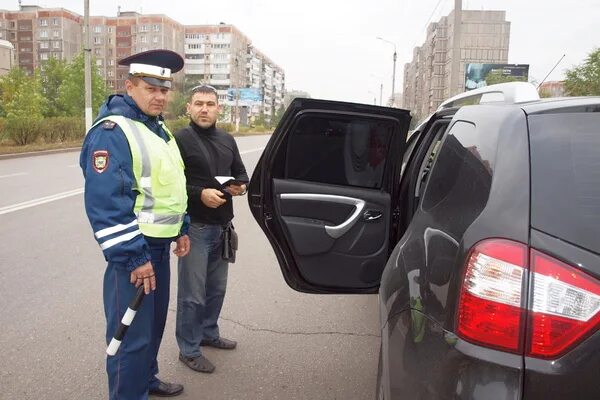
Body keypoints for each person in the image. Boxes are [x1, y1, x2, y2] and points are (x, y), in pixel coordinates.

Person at [80, 49, 190, 399]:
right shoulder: (113, 131)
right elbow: (107, 203)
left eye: (164, 89)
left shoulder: (159, 130)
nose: (159, 96)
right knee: (129, 337)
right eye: (150, 88)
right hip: (134, 254)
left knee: (152, 327)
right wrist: (133, 256)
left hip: (158, 247)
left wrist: (181, 227)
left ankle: (147, 380)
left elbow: (170, 184)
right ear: (130, 86)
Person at [174, 85, 249, 373]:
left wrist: (240, 187)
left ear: (219, 108)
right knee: (192, 294)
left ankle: (208, 333)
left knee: (216, 289)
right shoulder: (179, 140)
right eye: (198, 104)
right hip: (195, 227)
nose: (204, 109)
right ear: (189, 109)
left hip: (223, 228)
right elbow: (170, 183)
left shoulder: (227, 139)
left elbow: (242, 174)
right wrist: (199, 194)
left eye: (210, 104)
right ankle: (188, 349)